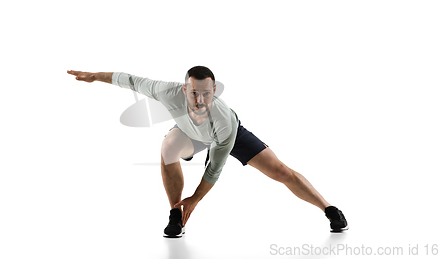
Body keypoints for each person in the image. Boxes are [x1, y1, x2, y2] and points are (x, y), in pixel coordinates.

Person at [67, 66, 348, 237]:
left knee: (281, 171)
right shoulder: (166, 91)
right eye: (193, 94)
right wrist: (94, 76)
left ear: (214, 90)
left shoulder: (223, 120)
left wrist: (196, 199)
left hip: (226, 136)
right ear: (183, 88)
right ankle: (176, 214)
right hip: (190, 134)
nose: (199, 100)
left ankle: (330, 209)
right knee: (167, 148)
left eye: (206, 93)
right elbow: (128, 79)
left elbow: (214, 169)